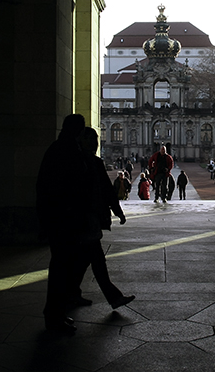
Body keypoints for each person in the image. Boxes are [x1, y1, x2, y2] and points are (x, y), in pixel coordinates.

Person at [36, 114, 88, 333]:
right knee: (61, 268)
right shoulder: (67, 151)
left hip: (60, 216)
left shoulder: (58, 148)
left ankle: (56, 312)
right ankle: (54, 316)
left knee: (62, 266)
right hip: (64, 218)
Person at [74, 128, 135, 310]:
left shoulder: (78, 162)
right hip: (87, 219)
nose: (95, 143)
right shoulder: (92, 163)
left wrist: (117, 210)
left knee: (86, 260)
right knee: (96, 260)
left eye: (96, 139)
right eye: (91, 139)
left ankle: (72, 294)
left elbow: (107, 190)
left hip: (83, 219)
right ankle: (113, 298)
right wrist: (117, 211)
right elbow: (107, 190)